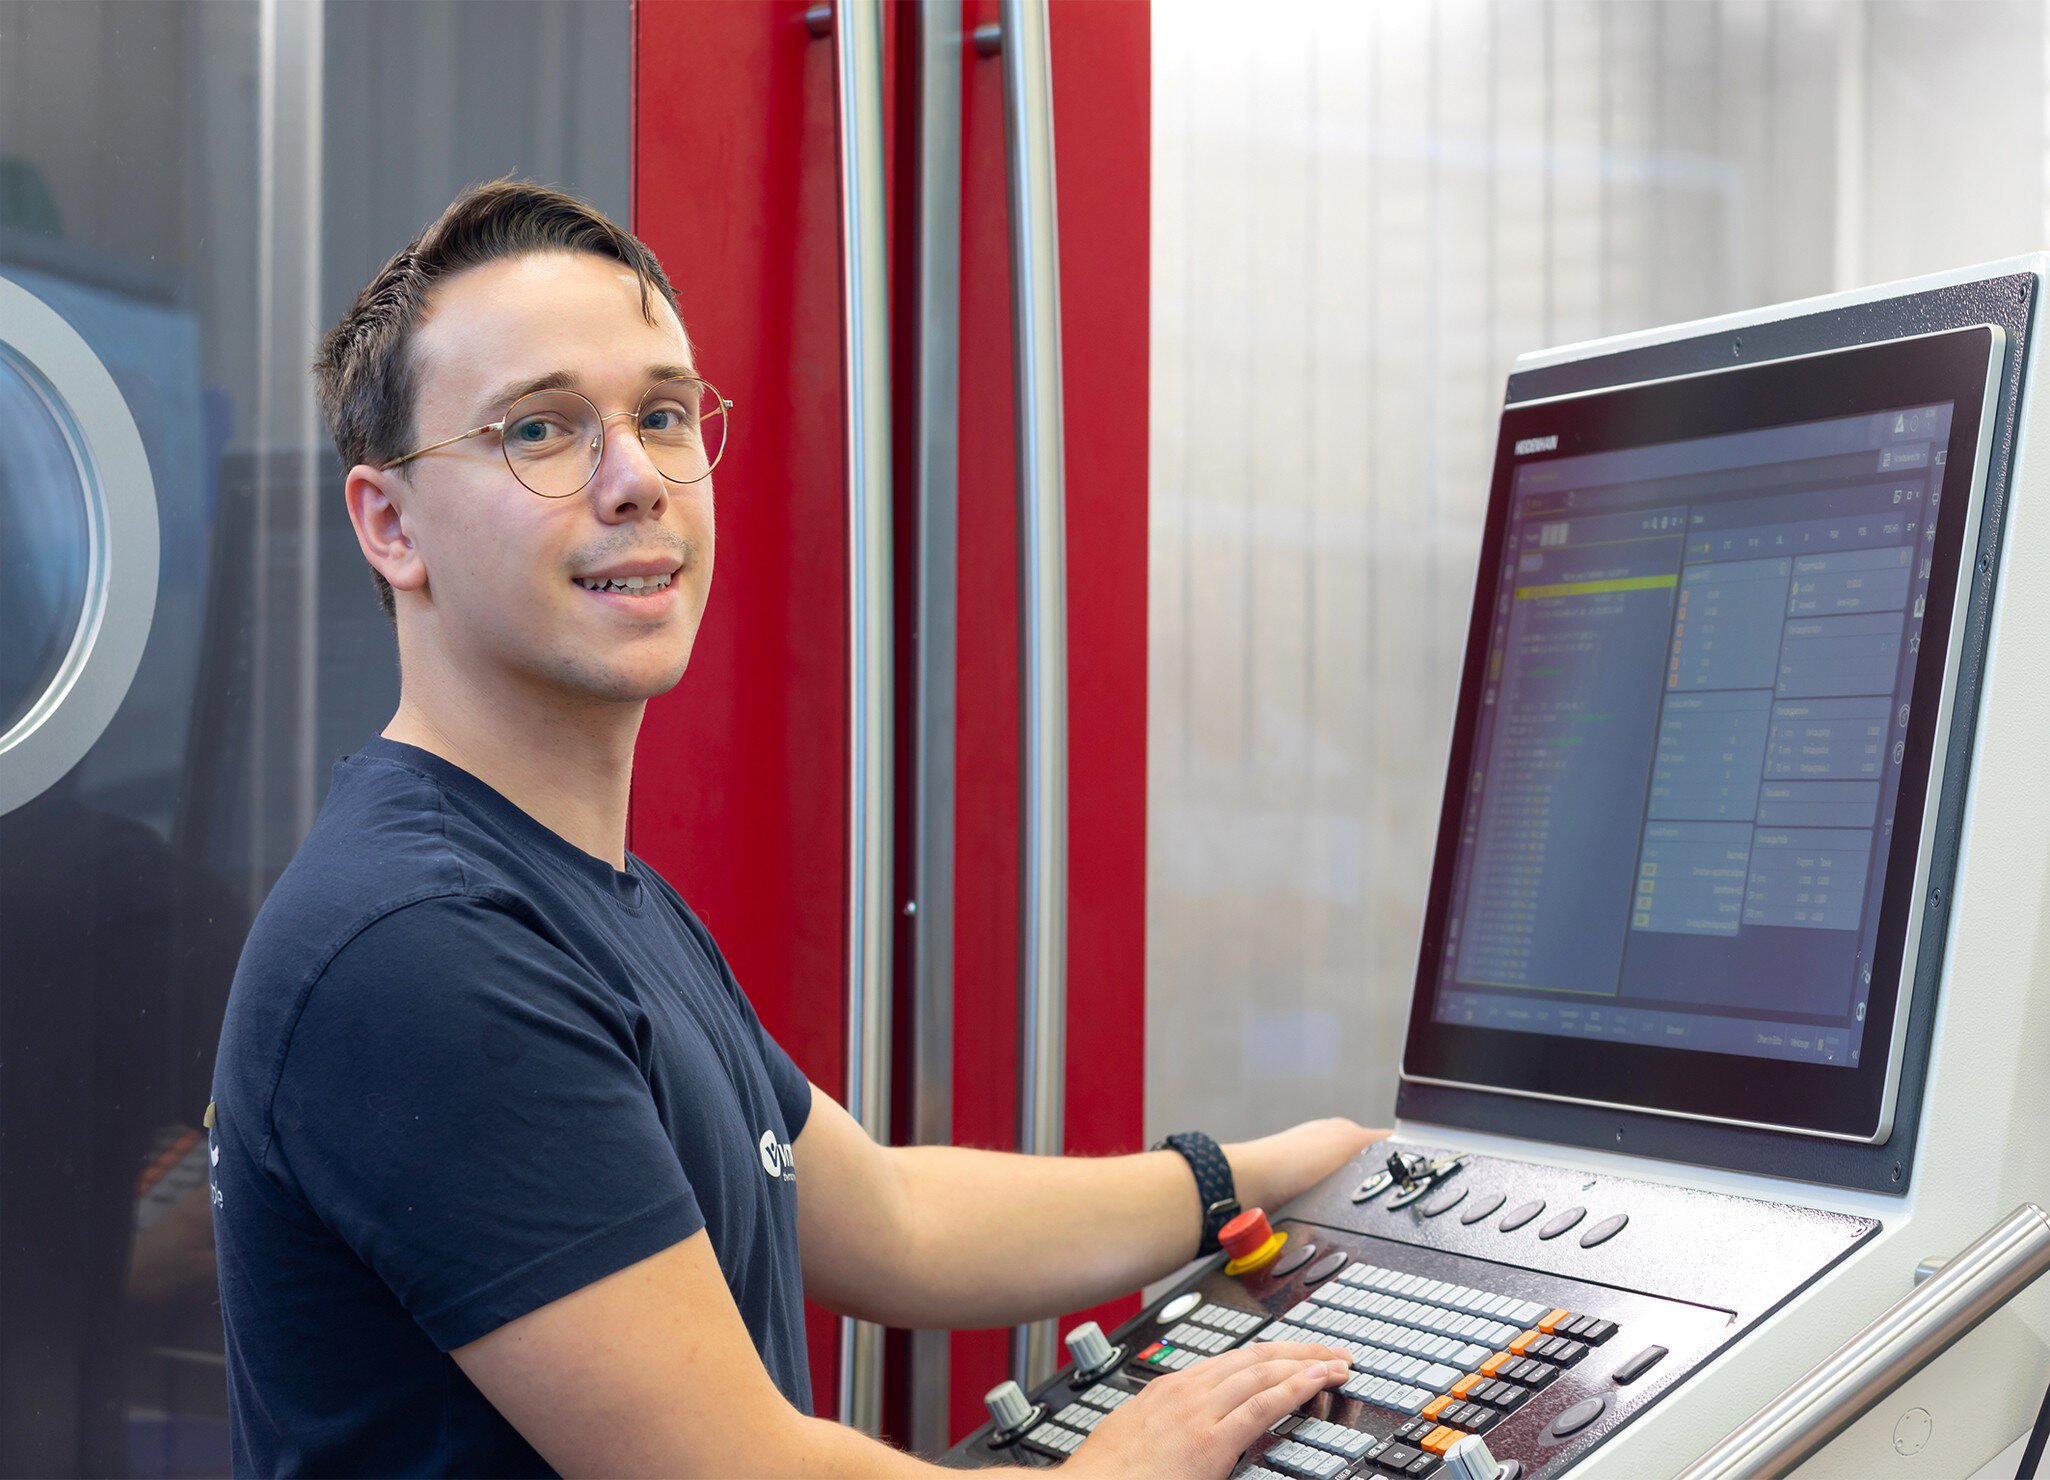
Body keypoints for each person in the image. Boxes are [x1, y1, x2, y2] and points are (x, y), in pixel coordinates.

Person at [208, 180, 1386, 1477]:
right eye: (541, 429)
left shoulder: (586, 895)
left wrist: (1253, 1176)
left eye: (663, 414)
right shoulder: (426, 947)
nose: (635, 481)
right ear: (391, 525)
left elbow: (894, 1220)